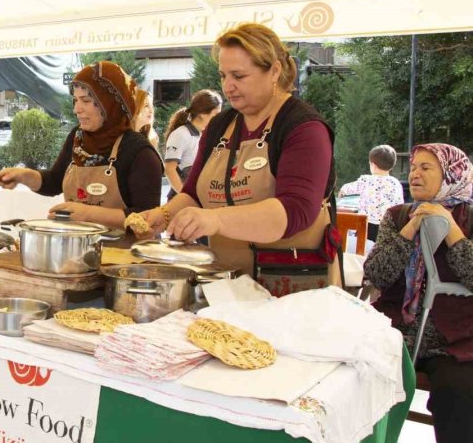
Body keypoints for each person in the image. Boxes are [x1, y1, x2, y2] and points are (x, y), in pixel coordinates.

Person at [139, 23, 337, 293]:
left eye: (239, 76)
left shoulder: (303, 128)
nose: (228, 86)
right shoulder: (220, 126)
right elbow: (194, 193)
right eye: (223, 75)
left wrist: (217, 220)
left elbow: (295, 211)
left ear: (274, 71)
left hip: (292, 287)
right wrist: (162, 215)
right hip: (231, 283)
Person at [363, 144, 473, 443]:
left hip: (454, 338)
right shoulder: (397, 216)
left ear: (452, 174)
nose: (415, 173)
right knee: (358, 379)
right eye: (413, 167)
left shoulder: (470, 220)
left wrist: (450, 227)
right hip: (396, 330)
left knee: (460, 392)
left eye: (426, 167)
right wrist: (411, 227)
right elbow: (378, 274)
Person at [0, 61, 163, 231]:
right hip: (78, 250)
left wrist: (88, 214)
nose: (76, 109)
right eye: (75, 100)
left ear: (110, 103)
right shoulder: (78, 138)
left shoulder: (140, 152)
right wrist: (24, 176)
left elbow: (147, 217)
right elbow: (54, 181)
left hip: (124, 253)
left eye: (86, 100)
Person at [162, 89, 223, 200]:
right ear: (203, 113)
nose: (219, 118)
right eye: (216, 114)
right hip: (181, 201)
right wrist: (185, 197)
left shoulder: (204, 135)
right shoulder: (180, 134)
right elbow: (169, 170)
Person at [338, 144, 405, 241]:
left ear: (373, 165)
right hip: (386, 226)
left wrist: (341, 191)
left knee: (362, 247)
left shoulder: (366, 180)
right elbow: (399, 205)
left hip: (365, 224)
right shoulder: (396, 183)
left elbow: (347, 188)